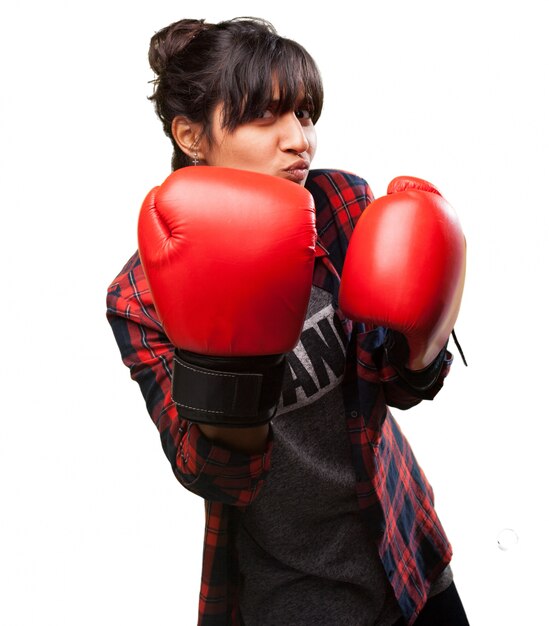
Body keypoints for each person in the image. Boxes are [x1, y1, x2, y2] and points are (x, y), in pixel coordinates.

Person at [106, 16, 470, 626]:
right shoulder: (140, 296)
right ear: (192, 136)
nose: (299, 139)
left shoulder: (341, 206)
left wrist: (425, 337)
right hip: (292, 594)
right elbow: (215, 476)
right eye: (265, 116)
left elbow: (403, 389)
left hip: (407, 549)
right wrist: (230, 358)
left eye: (304, 114)